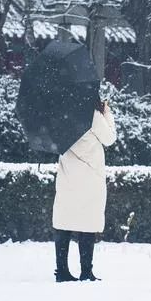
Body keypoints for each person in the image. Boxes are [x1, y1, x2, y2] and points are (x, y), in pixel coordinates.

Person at [52, 96, 117, 282]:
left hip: (67, 175)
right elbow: (109, 138)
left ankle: (62, 271)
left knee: (63, 222)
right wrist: (107, 113)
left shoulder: (60, 113)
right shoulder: (92, 114)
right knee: (88, 222)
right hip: (89, 176)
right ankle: (86, 271)